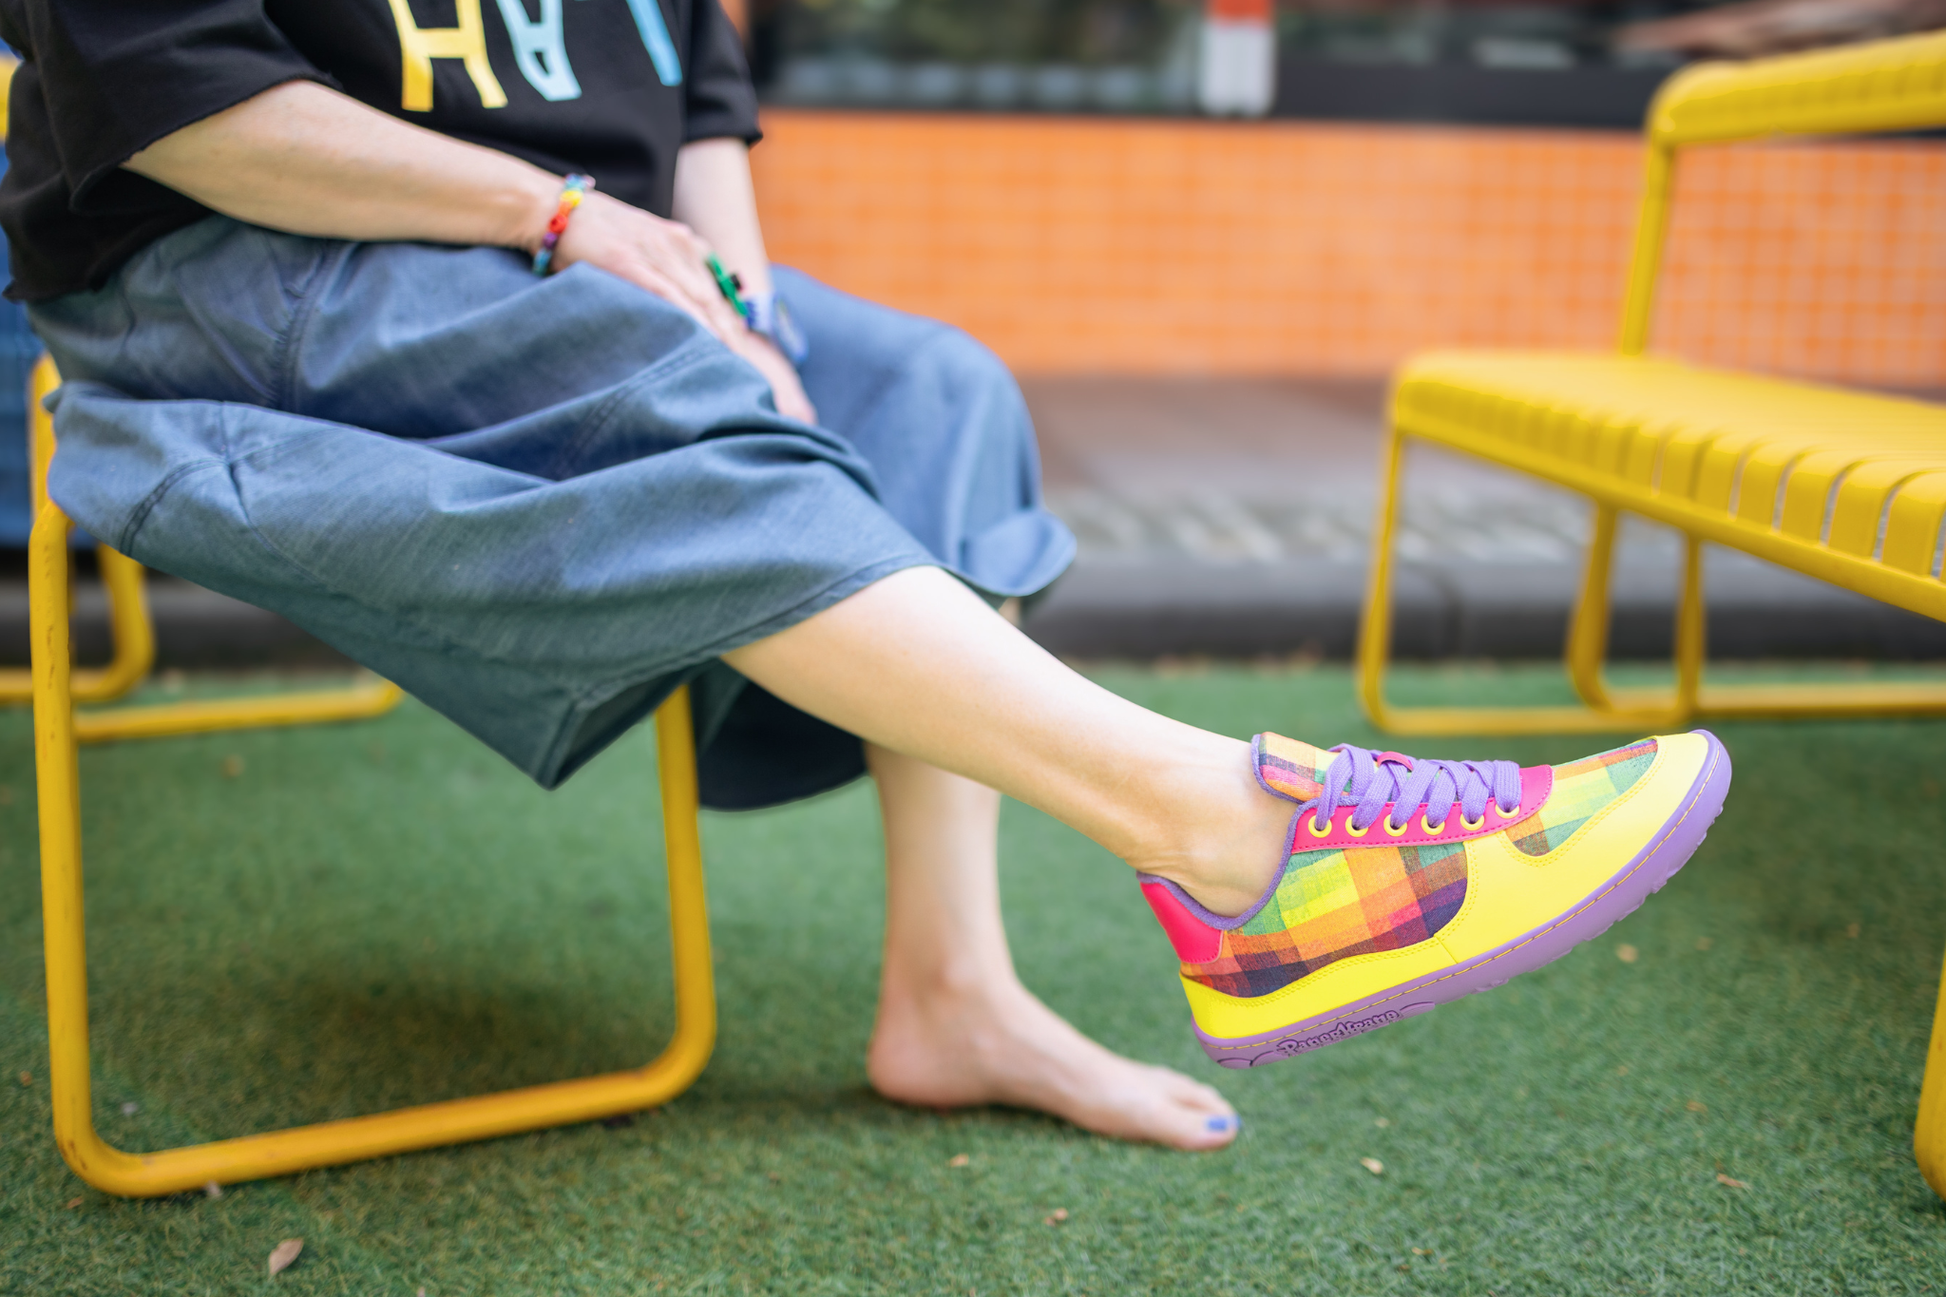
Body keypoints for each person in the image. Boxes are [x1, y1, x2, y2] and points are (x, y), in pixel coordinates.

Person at [0, 0, 1731, 1154]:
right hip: (240, 274)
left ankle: (948, 992)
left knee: (931, 388)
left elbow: (692, 113)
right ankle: (1234, 836)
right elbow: (183, 111)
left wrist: (754, 329)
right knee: (650, 366)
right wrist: (557, 220)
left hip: (591, 261)